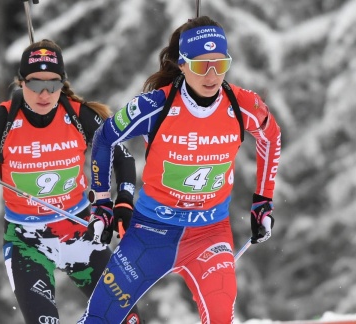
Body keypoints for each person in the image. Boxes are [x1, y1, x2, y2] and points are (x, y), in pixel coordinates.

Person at [78, 16, 282, 324]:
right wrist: (103, 203)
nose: (212, 75)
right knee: (99, 319)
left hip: (210, 234)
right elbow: (104, 138)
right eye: (201, 66)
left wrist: (262, 202)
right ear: (183, 64)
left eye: (220, 64)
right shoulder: (154, 106)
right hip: (150, 234)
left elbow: (272, 137)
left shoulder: (242, 105)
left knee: (220, 318)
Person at [0, 39, 143, 324]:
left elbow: (123, 157)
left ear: (62, 83)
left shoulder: (79, 116)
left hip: (79, 231)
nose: (44, 94)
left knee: (128, 319)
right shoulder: (1, 121)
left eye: (53, 85)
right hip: (26, 242)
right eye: (35, 85)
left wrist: (125, 202)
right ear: (21, 83)